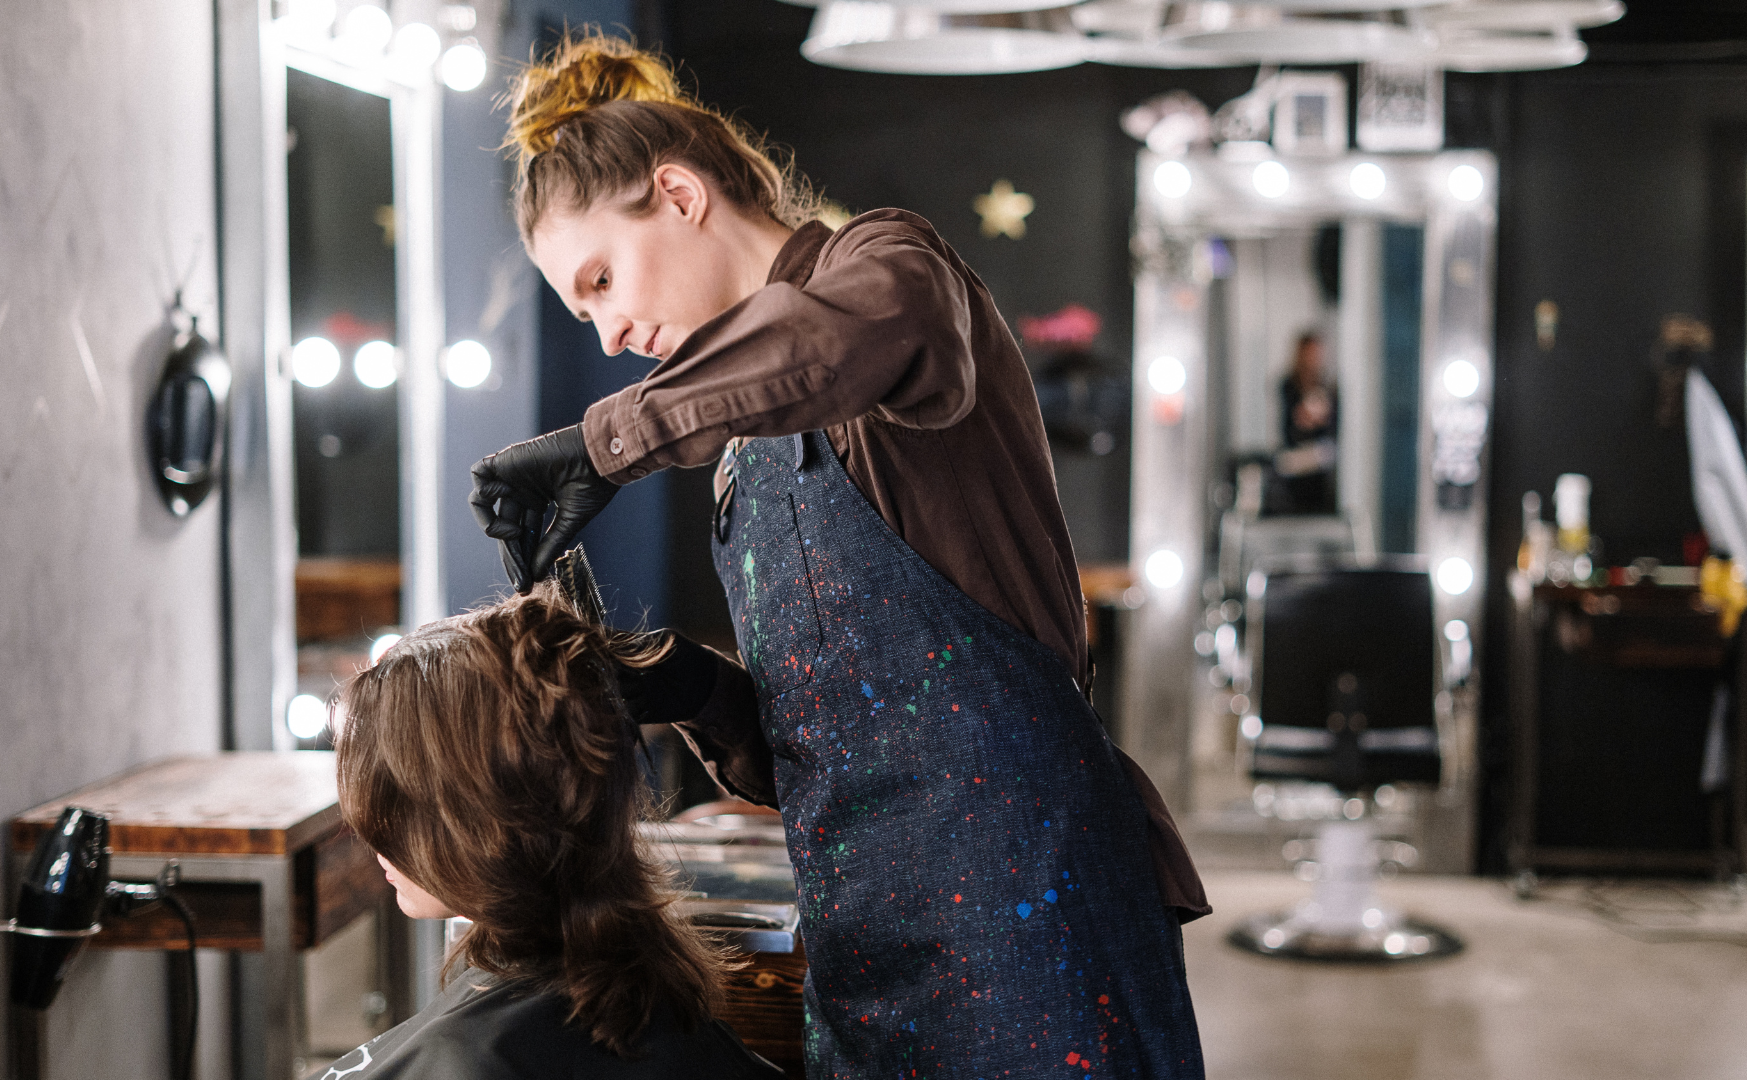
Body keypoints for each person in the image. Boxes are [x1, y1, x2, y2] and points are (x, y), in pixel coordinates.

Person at [468, 34, 1208, 1078]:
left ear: (678, 194)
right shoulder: (741, 449)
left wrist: (610, 440)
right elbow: (830, 754)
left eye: (600, 280)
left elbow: (858, 336)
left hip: (1033, 916)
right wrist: (680, 682)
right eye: (580, 311)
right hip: (864, 943)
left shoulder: (890, 270)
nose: (609, 334)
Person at [315, 581, 783, 1079]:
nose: (372, 835)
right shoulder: (649, 990)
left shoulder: (474, 1057)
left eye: (395, 804)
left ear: (477, 820)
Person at [1274, 331, 1337, 514]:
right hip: (1294, 465)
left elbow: (1329, 427)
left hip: (1320, 467)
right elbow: (1291, 425)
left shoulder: (1326, 385)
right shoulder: (1289, 385)